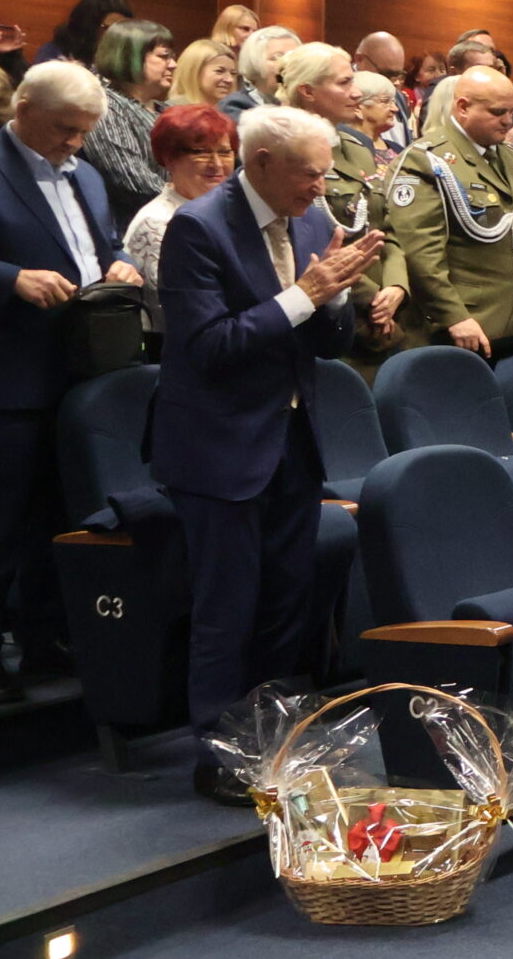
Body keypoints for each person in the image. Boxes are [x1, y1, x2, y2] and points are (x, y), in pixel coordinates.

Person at [155, 106, 378, 798]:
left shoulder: (311, 219)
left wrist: (337, 301)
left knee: (287, 597)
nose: (321, 185)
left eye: (326, 171)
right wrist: (306, 293)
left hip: (291, 439)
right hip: (218, 446)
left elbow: (326, 340)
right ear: (261, 165)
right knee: (228, 606)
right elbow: (210, 347)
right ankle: (218, 755)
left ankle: (271, 739)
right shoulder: (196, 227)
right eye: (310, 172)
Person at [0, 63, 143, 701]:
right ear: (21, 106)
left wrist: (121, 263)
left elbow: (101, 244)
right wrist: (6, 277)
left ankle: (46, 639)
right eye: (63, 129)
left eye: (84, 132)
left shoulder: (89, 174)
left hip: (78, 376)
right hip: (0, 380)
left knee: (61, 516)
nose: (74, 142)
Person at [383, 66, 513, 357]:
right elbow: (420, 255)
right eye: (497, 112)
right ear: (463, 107)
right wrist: (453, 316)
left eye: (512, 111)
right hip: (464, 331)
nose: (508, 121)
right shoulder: (425, 162)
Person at [282, 42, 411, 350]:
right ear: (307, 91)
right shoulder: (280, 152)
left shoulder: (356, 149)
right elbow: (300, 245)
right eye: (344, 83)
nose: (356, 93)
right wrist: (372, 299)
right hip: (334, 319)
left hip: (385, 315)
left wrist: (395, 286)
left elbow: (387, 227)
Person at [125, 105, 237, 329]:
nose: (216, 164)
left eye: (225, 152)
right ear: (169, 159)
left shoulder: (233, 211)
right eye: (201, 152)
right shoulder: (157, 223)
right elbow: (180, 317)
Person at [80, 16, 175, 228]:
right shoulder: (105, 107)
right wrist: (193, 206)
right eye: (164, 57)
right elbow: (132, 181)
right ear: (130, 57)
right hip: (133, 230)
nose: (173, 65)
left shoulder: (167, 110)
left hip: (179, 219)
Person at [36, 0, 133, 69]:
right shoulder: (53, 55)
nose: (118, 34)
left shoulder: (122, 60)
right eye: (109, 28)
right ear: (89, 26)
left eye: (123, 27)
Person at [222, 25, 299, 119]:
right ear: (254, 62)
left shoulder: (305, 101)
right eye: (277, 57)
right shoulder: (235, 105)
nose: (288, 63)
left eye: (295, 57)